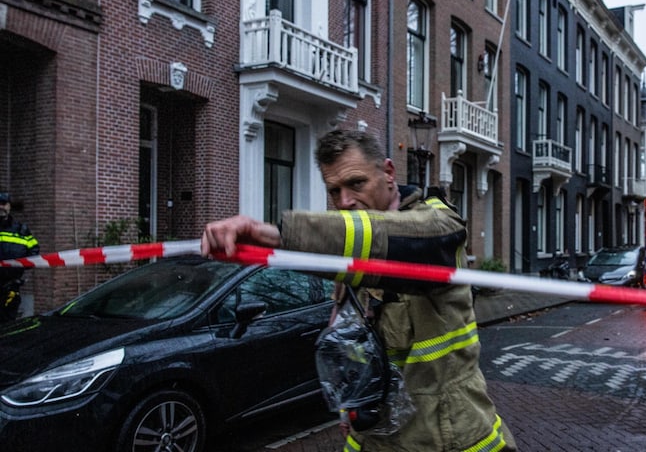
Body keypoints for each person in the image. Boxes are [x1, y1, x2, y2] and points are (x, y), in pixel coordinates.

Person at [201, 129, 516, 451]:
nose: (345, 201)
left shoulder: (438, 225)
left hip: (450, 439)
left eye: (356, 183)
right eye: (334, 191)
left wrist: (273, 235)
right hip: (371, 436)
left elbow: (397, 241)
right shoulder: (353, 253)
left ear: (389, 173)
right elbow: (350, 339)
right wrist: (349, 400)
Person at [0, 192, 39, 322]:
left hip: (11, 287)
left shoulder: (21, 230)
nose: (1, 207)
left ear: (9, 206)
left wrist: (24, 265)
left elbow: (34, 251)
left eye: (4, 204)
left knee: (8, 323)